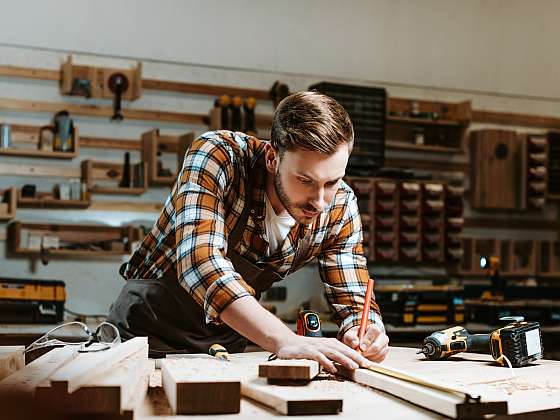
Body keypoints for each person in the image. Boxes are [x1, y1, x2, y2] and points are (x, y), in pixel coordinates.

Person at [108, 91, 389, 372]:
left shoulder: (340, 205)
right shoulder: (218, 156)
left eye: (332, 182)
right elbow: (200, 262)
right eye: (305, 180)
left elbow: (353, 296)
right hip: (144, 337)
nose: (319, 200)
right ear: (272, 158)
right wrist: (283, 339)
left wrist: (365, 331)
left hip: (224, 344)